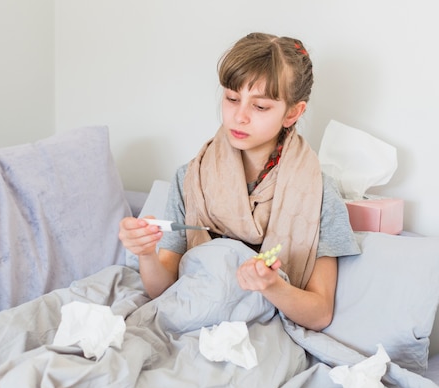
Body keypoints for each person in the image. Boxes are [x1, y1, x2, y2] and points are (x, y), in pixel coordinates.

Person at [119, 32, 360, 331]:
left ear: (293, 112)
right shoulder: (190, 178)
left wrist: (272, 286)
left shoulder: (320, 194)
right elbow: (163, 290)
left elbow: (320, 313)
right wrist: (145, 254)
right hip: (190, 325)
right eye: (232, 98)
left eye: (260, 107)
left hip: (260, 336)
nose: (240, 116)